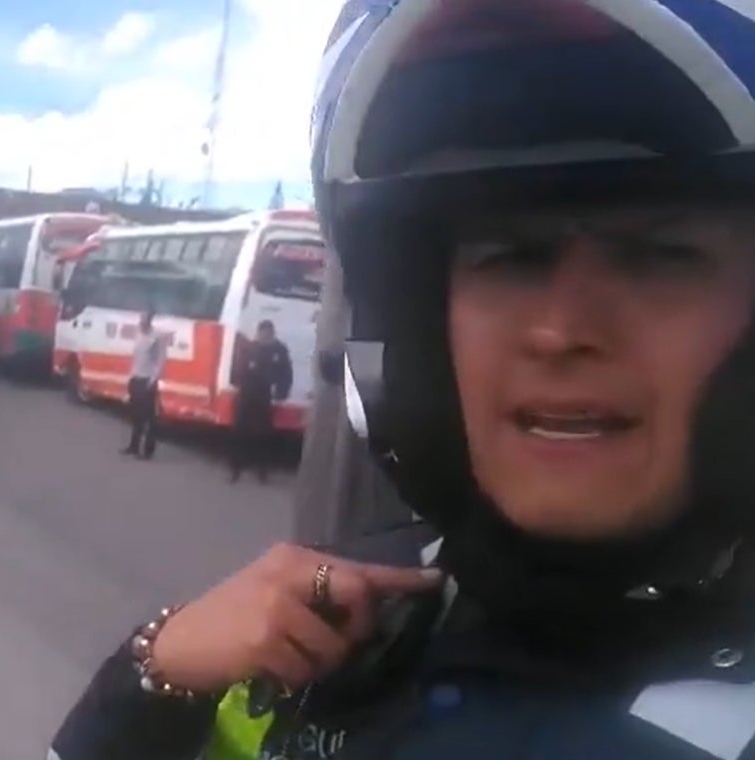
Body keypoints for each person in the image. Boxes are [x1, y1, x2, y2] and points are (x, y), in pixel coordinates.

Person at [50, 3, 755, 759]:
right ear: (421, 325)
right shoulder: (347, 612)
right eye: (511, 259)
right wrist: (152, 671)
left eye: (659, 257)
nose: (559, 332)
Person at [229, 320, 292, 484]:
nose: (264, 337)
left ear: (272, 334)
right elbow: (238, 366)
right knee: (239, 431)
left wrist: (281, 391)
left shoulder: (279, 350)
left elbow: (286, 372)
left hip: (264, 395)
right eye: (262, 334)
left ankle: (262, 471)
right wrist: (236, 380)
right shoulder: (250, 347)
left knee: (263, 434)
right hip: (246, 393)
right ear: (258, 333)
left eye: (267, 334)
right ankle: (235, 469)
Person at [121, 308, 166, 460]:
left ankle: (148, 451)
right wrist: (131, 377)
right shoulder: (138, 334)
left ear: (150, 321)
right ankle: (133, 446)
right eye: (140, 319)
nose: (141, 322)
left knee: (149, 418)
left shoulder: (157, 337)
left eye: (144, 319)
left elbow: (160, 360)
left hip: (148, 381)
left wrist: (153, 379)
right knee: (135, 416)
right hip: (136, 378)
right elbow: (136, 358)